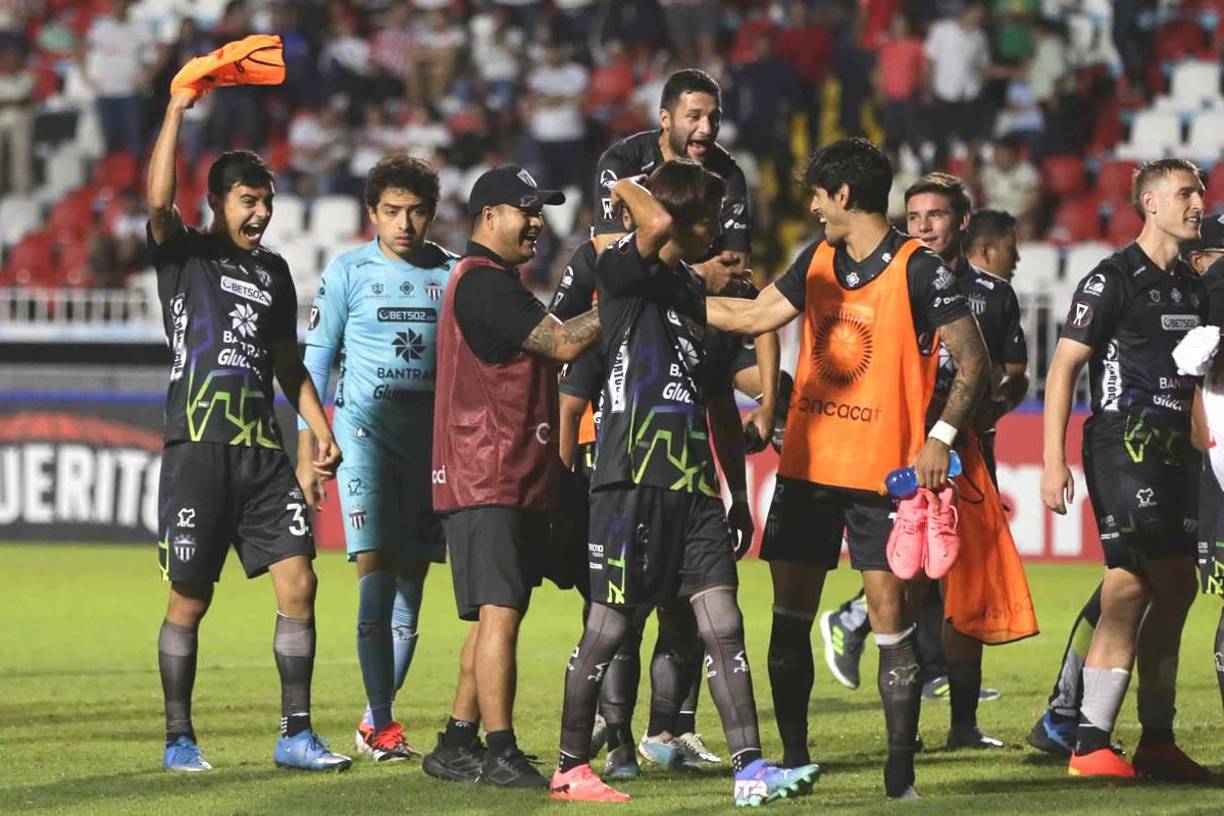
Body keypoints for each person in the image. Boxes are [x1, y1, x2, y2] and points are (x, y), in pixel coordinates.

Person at [706, 138, 989, 798]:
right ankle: (797, 756)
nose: (809, 206)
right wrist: (659, 296)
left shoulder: (920, 270)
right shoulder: (818, 260)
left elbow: (971, 363)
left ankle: (899, 778)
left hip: (878, 476)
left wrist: (940, 437)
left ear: (844, 196)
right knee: (789, 622)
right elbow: (751, 316)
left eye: (817, 195)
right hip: (805, 469)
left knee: (893, 628)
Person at [549, 162, 820, 806]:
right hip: (629, 477)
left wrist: (812, 273)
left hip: (692, 483)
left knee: (723, 622)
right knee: (609, 627)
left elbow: (747, 319)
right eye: (708, 215)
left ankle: (750, 768)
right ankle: (569, 767)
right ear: (680, 217)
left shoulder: (680, 290)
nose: (717, 226)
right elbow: (657, 218)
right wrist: (623, 183)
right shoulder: (623, 270)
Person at [148, 90, 350, 773]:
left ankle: (295, 733)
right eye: (246, 201)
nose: (260, 213)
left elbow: (287, 363)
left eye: (265, 201)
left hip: (262, 454)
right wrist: (177, 109)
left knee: (300, 582)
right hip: (198, 449)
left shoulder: (274, 273)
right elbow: (155, 202)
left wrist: (319, 427)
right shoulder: (183, 255)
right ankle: (180, 739)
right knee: (191, 597)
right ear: (217, 204)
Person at [820, 177, 1021, 751]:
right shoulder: (889, 282)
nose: (924, 225)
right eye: (914, 216)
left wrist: (995, 403)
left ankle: (962, 726)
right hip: (900, 453)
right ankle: (895, 723)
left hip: (968, 454)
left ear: (963, 223)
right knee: (906, 583)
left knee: (966, 586)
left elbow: (1013, 369)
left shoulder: (995, 294)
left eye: (936, 215)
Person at [426, 165, 601, 789]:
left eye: (541, 209)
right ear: (487, 216)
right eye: (525, 210)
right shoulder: (484, 285)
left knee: (496, 615)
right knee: (500, 613)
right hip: (488, 474)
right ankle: (501, 752)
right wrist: (627, 298)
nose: (537, 222)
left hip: (503, 473)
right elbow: (563, 344)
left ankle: (455, 742)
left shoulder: (491, 282)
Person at [1029, 211, 1224, 758]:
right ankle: (1092, 739)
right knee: (1137, 581)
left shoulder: (1195, 286)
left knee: (1169, 585)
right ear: (1152, 204)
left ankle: (1143, 737)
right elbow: (1064, 366)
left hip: (1181, 452)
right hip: (1126, 443)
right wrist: (1052, 460)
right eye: (1185, 192)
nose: (1195, 203)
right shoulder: (1111, 278)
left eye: (1199, 192)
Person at [297, 154, 456, 763]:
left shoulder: (451, 273)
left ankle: (371, 721)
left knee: (412, 591)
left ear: (431, 214)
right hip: (363, 440)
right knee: (377, 569)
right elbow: (314, 365)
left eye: (416, 211)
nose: (405, 223)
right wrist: (309, 448)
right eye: (392, 211)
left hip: (429, 450)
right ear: (372, 214)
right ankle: (387, 724)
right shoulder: (348, 273)